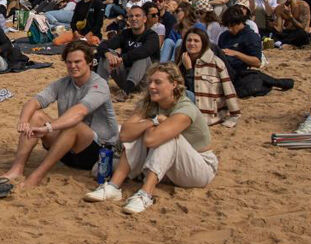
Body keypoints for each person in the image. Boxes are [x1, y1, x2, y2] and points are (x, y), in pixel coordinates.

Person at [0, 42, 117, 194]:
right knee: (36, 115)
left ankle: (36, 177)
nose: (72, 66)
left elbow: (79, 111)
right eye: (69, 62)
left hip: (98, 154)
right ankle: (16, 169)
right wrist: (23, 121)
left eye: (78, 62)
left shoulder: (99, 84)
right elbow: (34, 101)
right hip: (67, 150)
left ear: (90, 63)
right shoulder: (63, 83)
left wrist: (49, 128)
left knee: (73, 124)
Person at [85, 64, 217, 215]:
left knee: (167, 138)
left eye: (158, 82)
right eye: (150, 82)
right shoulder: (149, 104)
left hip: (199, 168)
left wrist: (147, 126)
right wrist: (152, 121)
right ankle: (114, 187)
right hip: (168, 166)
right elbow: (125, 134)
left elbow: (151, 140)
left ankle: (145, 194)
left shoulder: (185, 109)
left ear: (174, 84)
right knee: (139, 129)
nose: (152, 87)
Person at [176, 28, 240, 128]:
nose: (192, 43)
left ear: (203, 43)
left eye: (196, 41)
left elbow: (228, 89)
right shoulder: (181, 61)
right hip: (186, 105)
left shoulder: (215, 62)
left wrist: (235, 113)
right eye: (189, 40)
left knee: (186, 94)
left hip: (207, 111)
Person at [98, 4, 159, 99]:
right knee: (107, 54)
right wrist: (108, 54)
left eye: (137, 16)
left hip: (146, 81)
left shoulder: (152, 36)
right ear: (128, 20)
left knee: (143, 57)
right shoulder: (125, 34)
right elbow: (103, 45)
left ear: (144, 19)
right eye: (131, 16)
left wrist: (122, 58)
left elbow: (145, 51)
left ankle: (125, 92)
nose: (134, 18)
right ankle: (99, 88)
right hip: (125, 77)